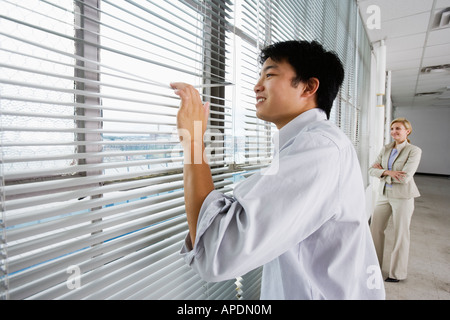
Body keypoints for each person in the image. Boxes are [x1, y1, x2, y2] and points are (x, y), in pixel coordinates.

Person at [171, 40, 385, 299]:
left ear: (309, 86)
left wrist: (193, 140)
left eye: (270, 74)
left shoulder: (319, 150)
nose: (257, 85)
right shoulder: (310, 144)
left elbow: (219, 253)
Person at [369, 118, 422, 283]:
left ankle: (396, 273)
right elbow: (371, 169)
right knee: (375, 230)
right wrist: (388, 172)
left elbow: (405, 177)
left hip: (403, 197)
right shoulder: (386, 149)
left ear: (407, 131)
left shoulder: (413, 151)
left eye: (398, 129)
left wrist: (383, 172)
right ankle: (373, 266)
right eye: (392, 129)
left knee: (401, 234)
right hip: (384, 195)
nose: (394, 132)